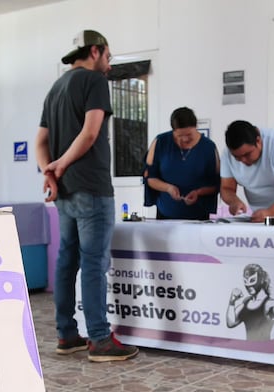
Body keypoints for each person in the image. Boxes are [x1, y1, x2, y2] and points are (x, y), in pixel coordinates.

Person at [35, 30, 138, 362]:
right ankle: (99, 339)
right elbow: (91, 132)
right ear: (95, 51)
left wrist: (49, 171)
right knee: (94, 263)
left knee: (67, 261)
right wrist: (61, 164)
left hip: (64, 192)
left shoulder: (56, 88)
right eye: (108, 56)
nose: (109, 65)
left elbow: (40, 141)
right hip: (91, 187)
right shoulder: (94, 81)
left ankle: (67, 335)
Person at [145, 107, 220, 220]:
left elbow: (216, 184)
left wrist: (198, 192)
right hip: (165, 213)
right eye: (179, 136)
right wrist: (168, 188)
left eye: (189, 134)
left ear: (196, 127)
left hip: (199, 216)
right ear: (173, 131)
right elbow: (150, 177)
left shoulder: (209, 147)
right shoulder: (160, 142)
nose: (185, 139)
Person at [226, 263, 274, 341]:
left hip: (265, 347)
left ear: (261, 280)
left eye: (252, 280)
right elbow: (231, 323)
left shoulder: (269, 304)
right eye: (245, 281)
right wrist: (232, 302)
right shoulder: (246, 302)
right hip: (247, 347)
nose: (248, 285)